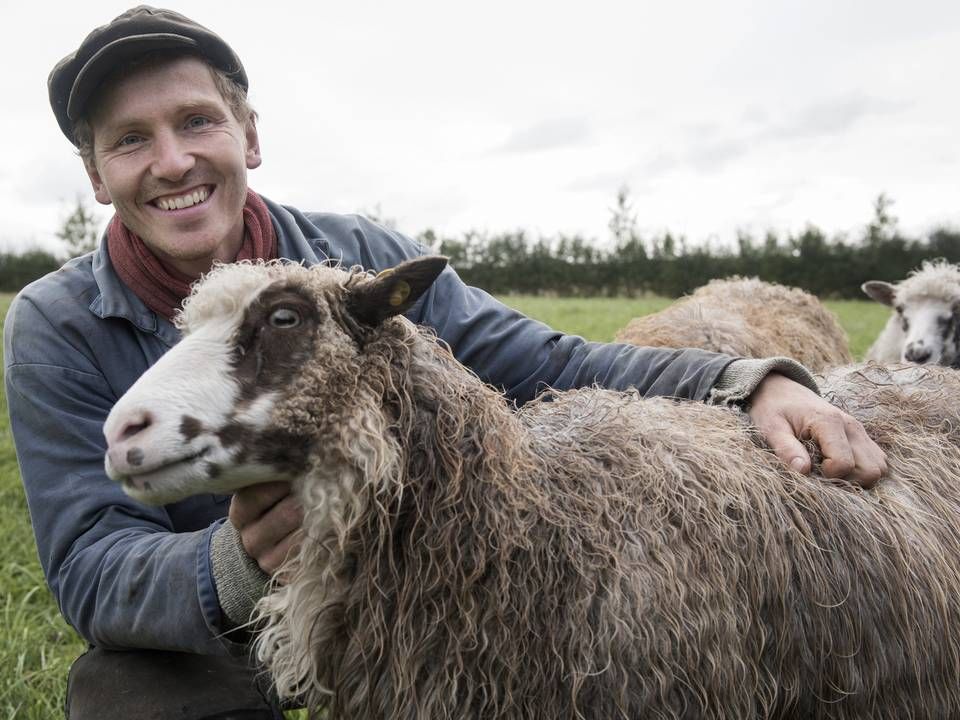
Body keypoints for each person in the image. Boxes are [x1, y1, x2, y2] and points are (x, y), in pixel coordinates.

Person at [5, 6, 887, 719]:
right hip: (222, 633)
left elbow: (541, 357)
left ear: (248, 133)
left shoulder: (357, 258)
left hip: (402, 595)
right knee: (126, 693)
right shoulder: (55, 322)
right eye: (129, 140)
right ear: (94, 175)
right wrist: (237, 565)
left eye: (196, 120)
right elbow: (90, 562)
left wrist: (744, 379)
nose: (172, 161)